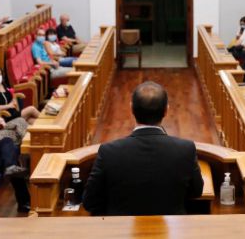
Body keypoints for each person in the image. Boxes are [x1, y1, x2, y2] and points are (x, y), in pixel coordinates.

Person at [83, 82, 203, 216]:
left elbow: (90, 201)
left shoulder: (109, 151)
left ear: (131, 109)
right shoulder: (185, 149)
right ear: (166, 111)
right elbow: (196, 192)